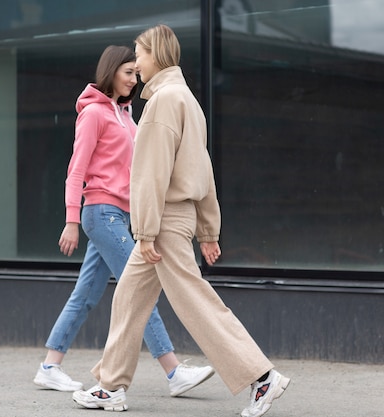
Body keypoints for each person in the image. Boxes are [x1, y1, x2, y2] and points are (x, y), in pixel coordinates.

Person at [72, 25, 290, 417]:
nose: (136, 63)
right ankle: (110, 387)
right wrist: (208, 229)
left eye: (139, 54)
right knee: (129, 298)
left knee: (195, 301)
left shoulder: (161, 103)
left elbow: (151, 174)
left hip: (162, 222)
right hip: (175, 218)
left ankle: (262, 377)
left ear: (156, 54)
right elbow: (202, 169)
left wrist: (145, 231)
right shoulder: (186, 99)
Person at [32, 45, 215, 397]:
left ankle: (50, 365)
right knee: (140, 290)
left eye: (136, 72)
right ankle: (174, 371)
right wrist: (72, 219)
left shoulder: (127, 115)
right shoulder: (94, 115)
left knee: (86, 293)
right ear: (112, 71)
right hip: (101, 213)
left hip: (121, 215)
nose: (135, 79)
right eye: (128, 72)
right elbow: (76, 170)